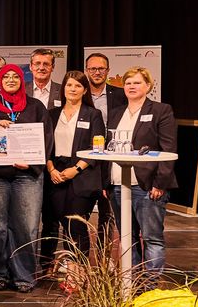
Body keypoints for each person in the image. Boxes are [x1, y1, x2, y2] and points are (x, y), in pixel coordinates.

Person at [0, 64, 53, 292]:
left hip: (27, 175)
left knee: (26, 226)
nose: (9, 79)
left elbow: (47, 139)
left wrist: (33, 163)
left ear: (21, 79)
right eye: (5, 76)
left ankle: (25, 275)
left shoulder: (35, 106)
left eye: (14, 76)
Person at [106, 67, 177, 278]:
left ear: (148, 86)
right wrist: (106, 183)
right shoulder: (116, 112)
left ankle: (150, 285)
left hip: (147, 186)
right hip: (118, 184)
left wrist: (160, 183)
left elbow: (168, 149)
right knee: (128, 237)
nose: (131, 86)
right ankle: (132, 282)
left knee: (152, 238)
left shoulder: (161, 110)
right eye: (128, 83)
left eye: (136, 82)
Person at [42, 71, 105, 263]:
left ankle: (77, 269)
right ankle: (48, 265)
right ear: (63, 88)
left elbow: (98, 148)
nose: (73, 89)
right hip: (55, 171)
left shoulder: (93, 114)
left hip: (81, 173)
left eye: (78, 86)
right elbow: (45, 146)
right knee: (54, 221)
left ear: (85, 90)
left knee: (75, 224)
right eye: (69, 85)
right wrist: (51, 169)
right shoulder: (52, 114)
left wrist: (75, 169)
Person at [84, 52, 126, 243]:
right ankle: (78, 255)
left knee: (107, 210)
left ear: (108, 71)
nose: (97, 72)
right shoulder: (79, 92)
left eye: (101, 68)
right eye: (93, 68)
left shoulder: (120, 94)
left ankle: (105, 255)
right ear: (86, 71)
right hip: (85, 158)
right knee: (81, 210)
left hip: (110, 158)